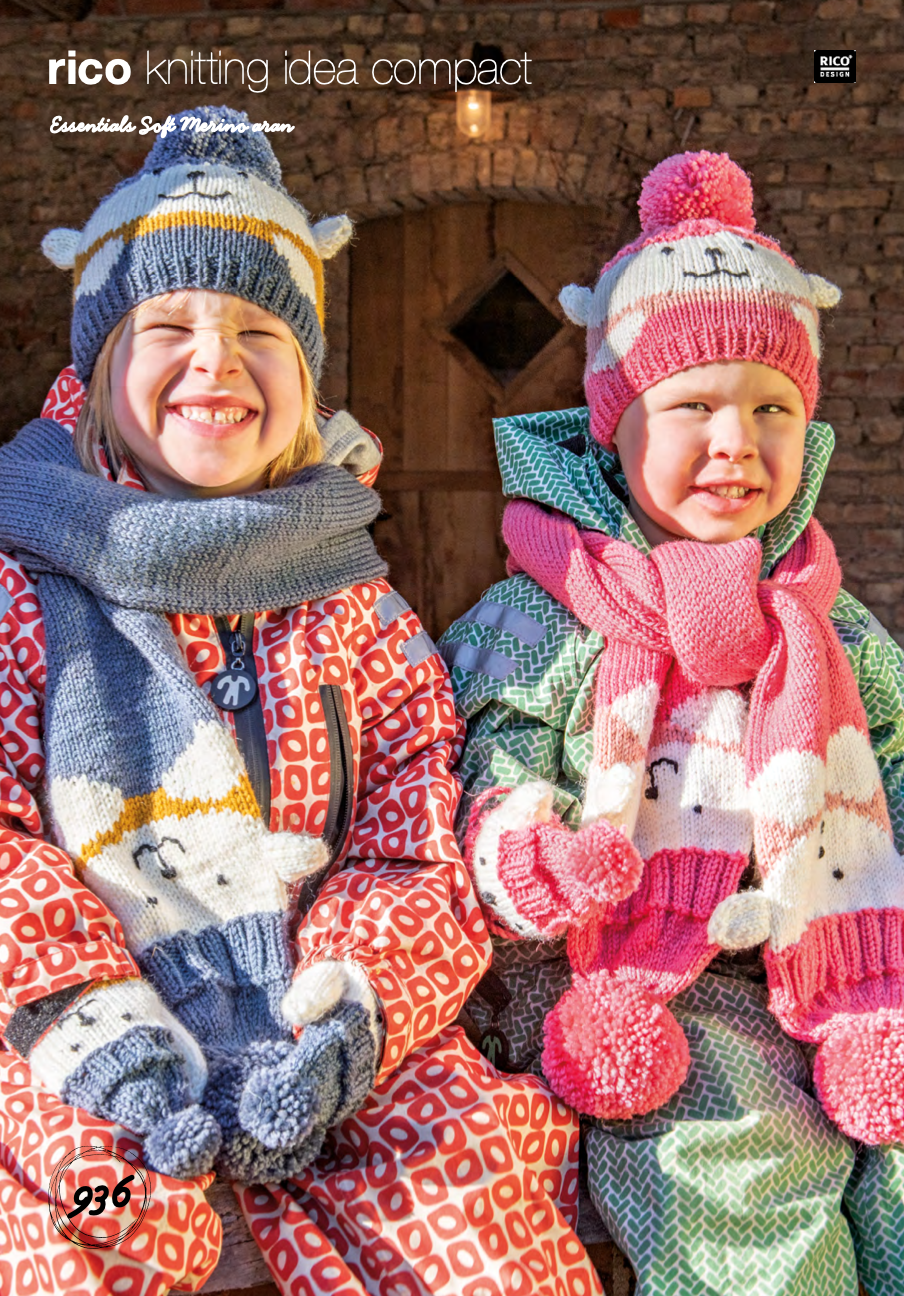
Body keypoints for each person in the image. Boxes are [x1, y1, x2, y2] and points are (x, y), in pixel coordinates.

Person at [0, 106, 605, 1296]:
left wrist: (347, 1023)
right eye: (165, 325)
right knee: (92, 1221)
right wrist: (109, 1046)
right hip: (87, 1058)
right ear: (100, 365)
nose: (214, 361)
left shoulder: (355, 609)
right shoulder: (19, 590)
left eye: (258, 331)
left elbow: (405, 843)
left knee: (484, 1211)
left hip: (318, 1036)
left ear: (307, 368)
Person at [440, 150, 904, 1296]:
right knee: (744, 1177)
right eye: (691, 405)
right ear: (614, 424)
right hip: (629, 979)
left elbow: (890, 764)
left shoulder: (825, 617)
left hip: (839, 968)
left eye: (772, 409)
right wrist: (534, 850)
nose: (736, 443)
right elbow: (471, 780)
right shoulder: (541, 622)